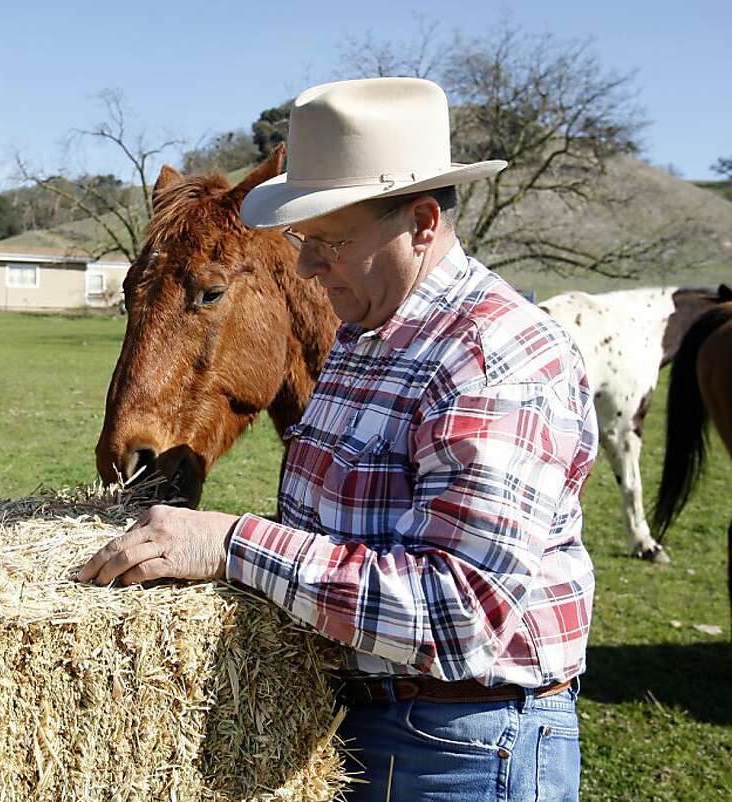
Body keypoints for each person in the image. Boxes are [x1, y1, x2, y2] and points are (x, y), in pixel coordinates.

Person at [79, 77, 598, 801]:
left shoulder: (493, 359)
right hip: (361, 721)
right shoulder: (363, 333)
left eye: (330, 240)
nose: (307, 267)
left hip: (461, 746)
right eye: (304, 240)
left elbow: (461, 612)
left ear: (422, 222)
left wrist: (231, 544)